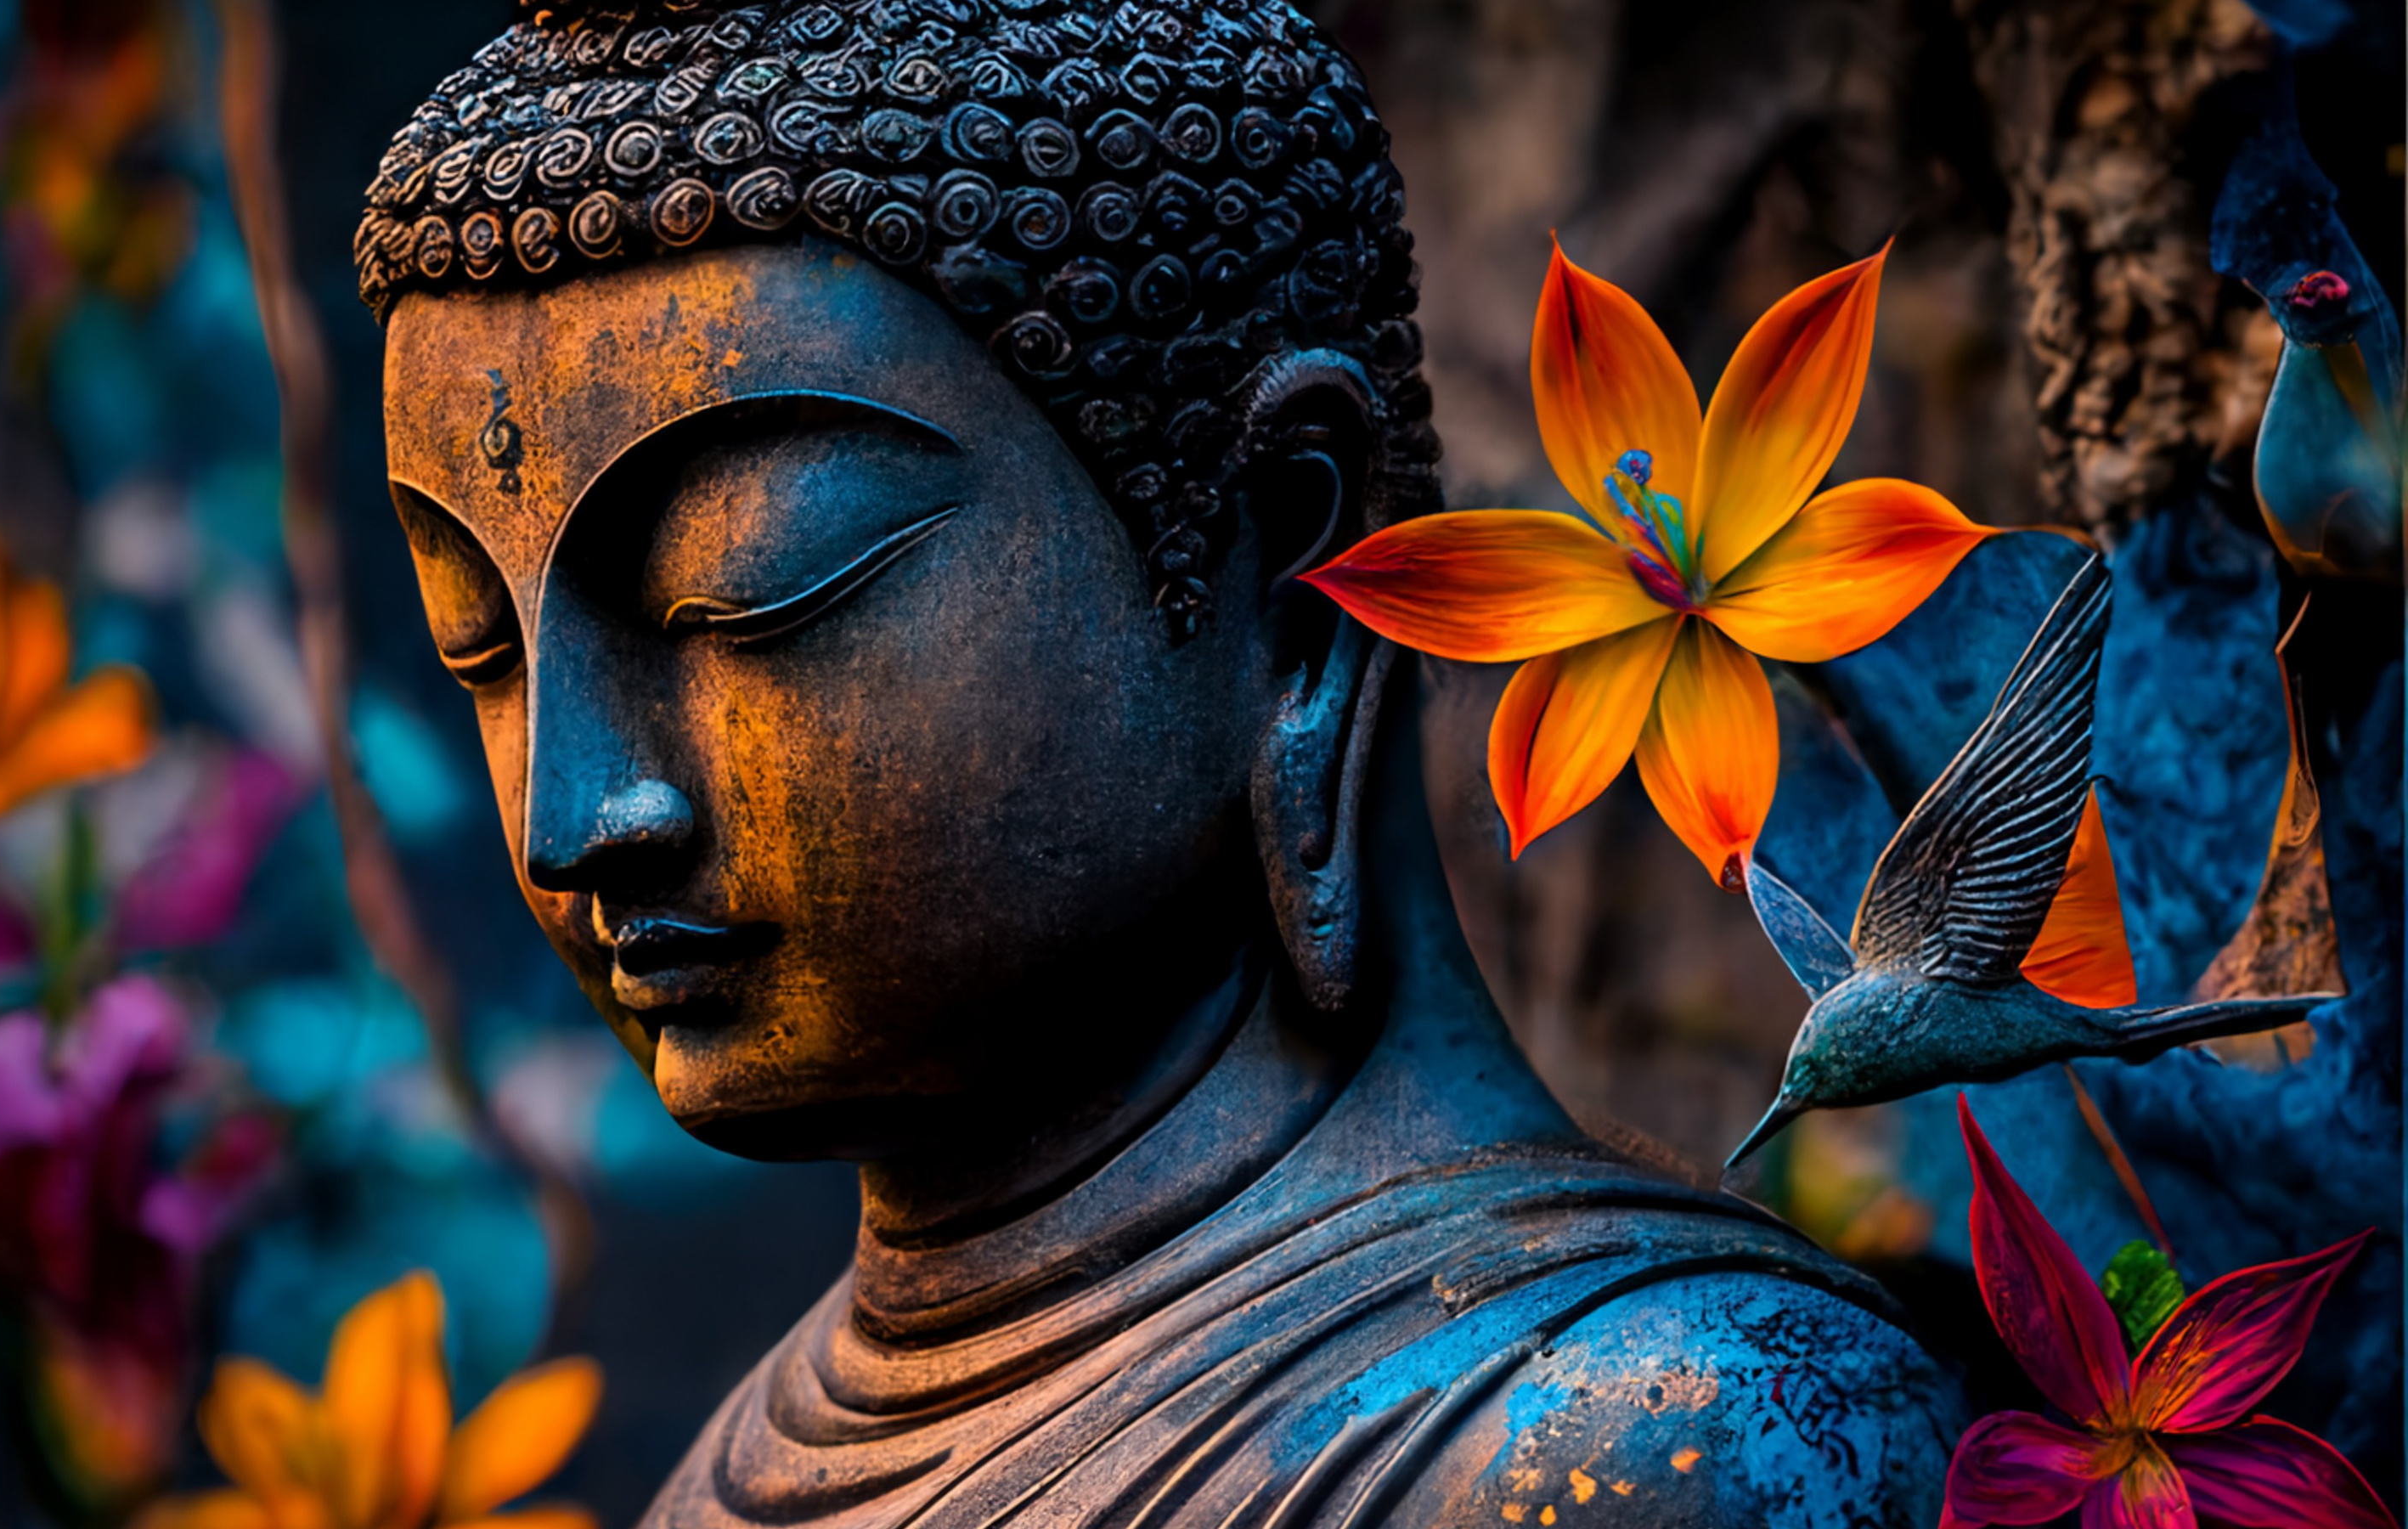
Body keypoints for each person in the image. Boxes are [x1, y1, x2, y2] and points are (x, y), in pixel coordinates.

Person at [359, 1, 1966, 1522]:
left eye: (747, 587)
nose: (573, 817)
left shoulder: (1672, 1438)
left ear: (1287, 563)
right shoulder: (748, 1462)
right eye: (474, 645)